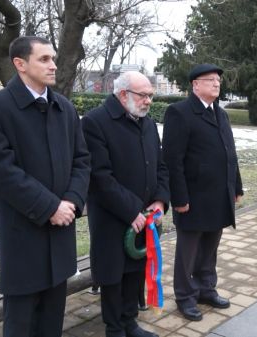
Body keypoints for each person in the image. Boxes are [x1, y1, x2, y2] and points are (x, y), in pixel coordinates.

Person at [0, 36, 90, 337]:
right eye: (44, 59)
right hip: (23, 236)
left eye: (53, 58)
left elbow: (82, 160)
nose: (53, 65)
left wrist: (72, 202)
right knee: (21, 323)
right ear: (19, 64)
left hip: (61, 234)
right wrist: (50, 206)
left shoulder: (63, 107)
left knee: (52, 322)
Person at [82, 71, 169, 337]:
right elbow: (100, 176)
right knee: (113, 274)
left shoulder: (148, 124)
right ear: (123, 95)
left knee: (136, 270)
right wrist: (131, 210)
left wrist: (159, 201)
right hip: (112, 215)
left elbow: (161, 167)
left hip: (145, 214)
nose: (148, 101)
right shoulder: (95, 122)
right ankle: (114, 327)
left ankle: (130, 321)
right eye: (143, 95)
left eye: (151, 96)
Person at [162, 63, 243, 321]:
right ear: (195, 85)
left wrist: (237, 186)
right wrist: (180, 198)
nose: (217, 84)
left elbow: (230, 153)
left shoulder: (221, 114)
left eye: (218, 80)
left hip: (219, 195)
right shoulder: (180, 112)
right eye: (210, 80)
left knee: (210, 247)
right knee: (188, 251)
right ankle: (185, 296)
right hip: (193, 198)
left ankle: (206, 288)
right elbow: (172, 160)